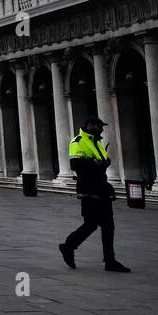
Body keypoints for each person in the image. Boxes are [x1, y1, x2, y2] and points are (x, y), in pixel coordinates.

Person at [59, 115, 130, 272]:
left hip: (101, 187)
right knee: (92, 224)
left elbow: (102, 161)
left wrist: (105, 162)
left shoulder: (96, 141)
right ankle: (68, 246)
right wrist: (95, 163)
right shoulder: (78, 141)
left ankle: (109, 260)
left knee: (107, 225)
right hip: (89, 189)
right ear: (91, 125)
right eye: (100, 126)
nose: (102, 129)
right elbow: (75, 163)